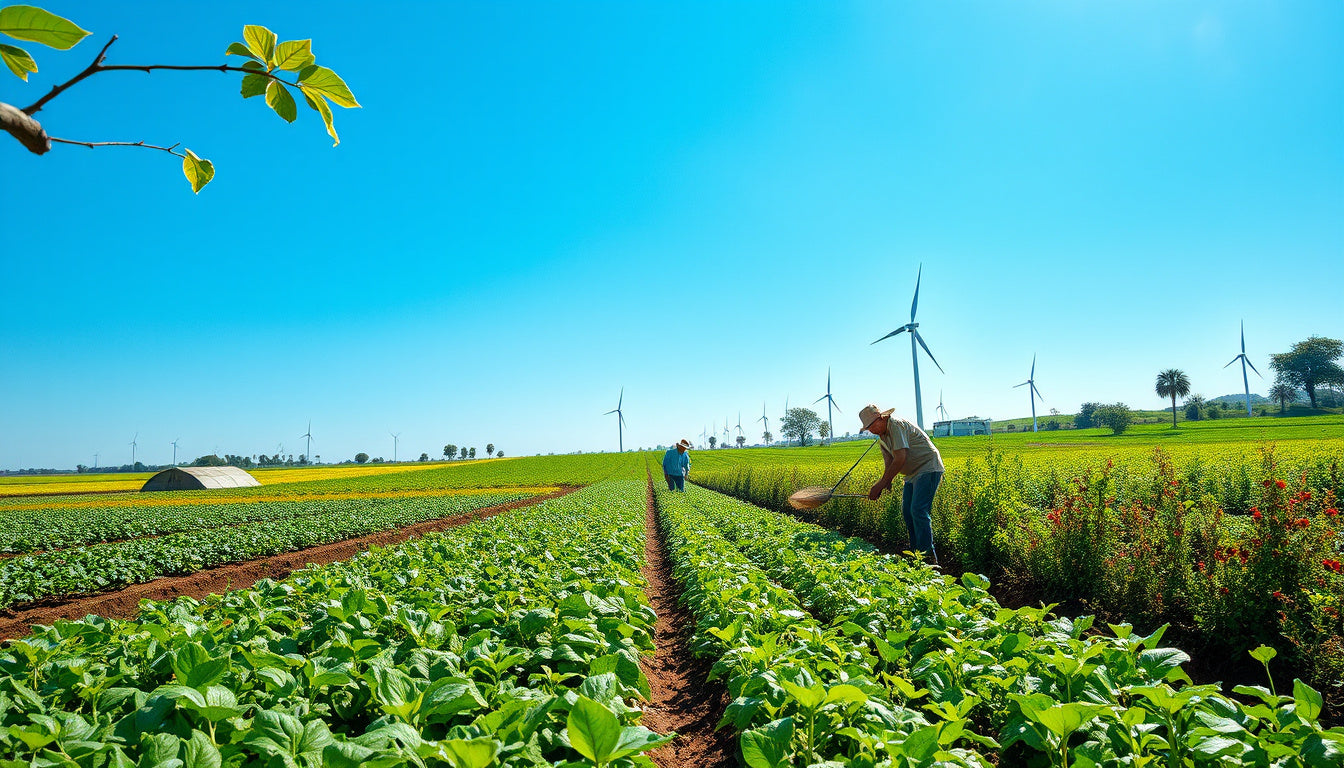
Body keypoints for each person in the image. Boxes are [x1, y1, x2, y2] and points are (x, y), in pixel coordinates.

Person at [858, 404, 944, 564]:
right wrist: (886, 482)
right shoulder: (882, 438)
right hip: (912, 475)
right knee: (907, 512)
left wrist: (880, 484)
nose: (871, 430)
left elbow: (900, 458)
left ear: (881, 418)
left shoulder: (896, 425)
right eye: (868, 428)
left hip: (927, 467)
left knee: (918, 510)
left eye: (871, 426)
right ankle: (915, 554)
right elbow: (889, 462)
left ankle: (928, 558)